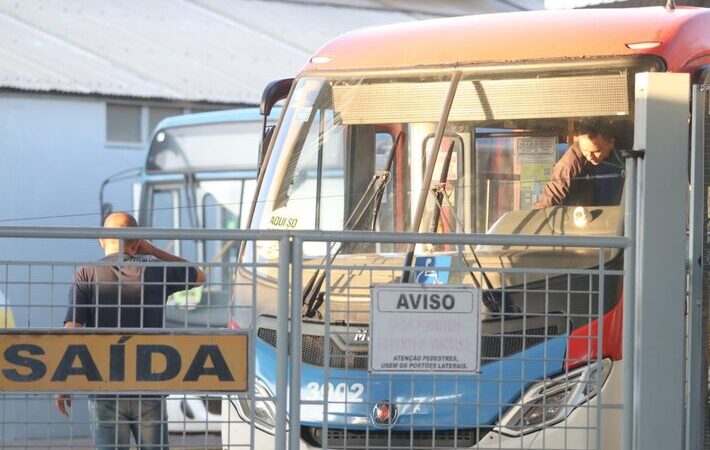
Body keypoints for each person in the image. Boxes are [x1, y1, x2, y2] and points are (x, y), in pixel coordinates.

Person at [55, 212, 205, 450]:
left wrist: (62, 381)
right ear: (137, 243)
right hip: (150, 385)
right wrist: (152, 250)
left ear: (101, 239)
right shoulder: (156, 271)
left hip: (105, 385)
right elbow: (198, 275)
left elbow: (72, 329)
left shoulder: (86, 274)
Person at [534, 120, 624, 208]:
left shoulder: (626, 149)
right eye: (585, 150)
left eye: (596, 151)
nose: (589, 157)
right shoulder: (571, 161)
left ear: (611, 142)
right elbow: (551, 196)